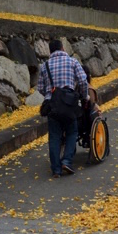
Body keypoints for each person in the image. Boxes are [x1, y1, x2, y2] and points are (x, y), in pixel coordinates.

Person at [37, 39, 88, 178]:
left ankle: (56, 170)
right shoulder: (72, 62)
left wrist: (50, 94)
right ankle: (67, 161)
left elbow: (40, 88)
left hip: (52, 104)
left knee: (54, 136)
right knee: (72, 132)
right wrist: (85, 96)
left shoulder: (45, 65)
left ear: (50, 51)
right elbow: (83, 81)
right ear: (63, 48)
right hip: (69, 103)